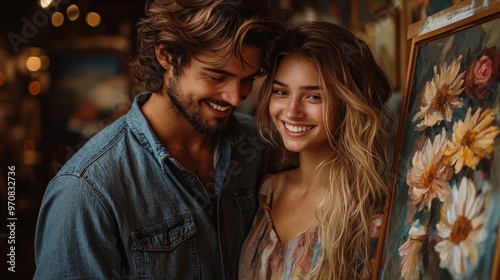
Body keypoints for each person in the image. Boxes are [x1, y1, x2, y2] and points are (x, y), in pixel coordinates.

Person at [34, 1, 282, 279]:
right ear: (167, 56)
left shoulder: (259, 146)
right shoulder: (86, 191)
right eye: (217, 75)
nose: (235, 97)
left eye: (247, 79)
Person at [239, 21, 394, 279]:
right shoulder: (266, 190)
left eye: (314, 96)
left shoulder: (370, 212)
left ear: (348, 103)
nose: (292, 111)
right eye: (281, 92)